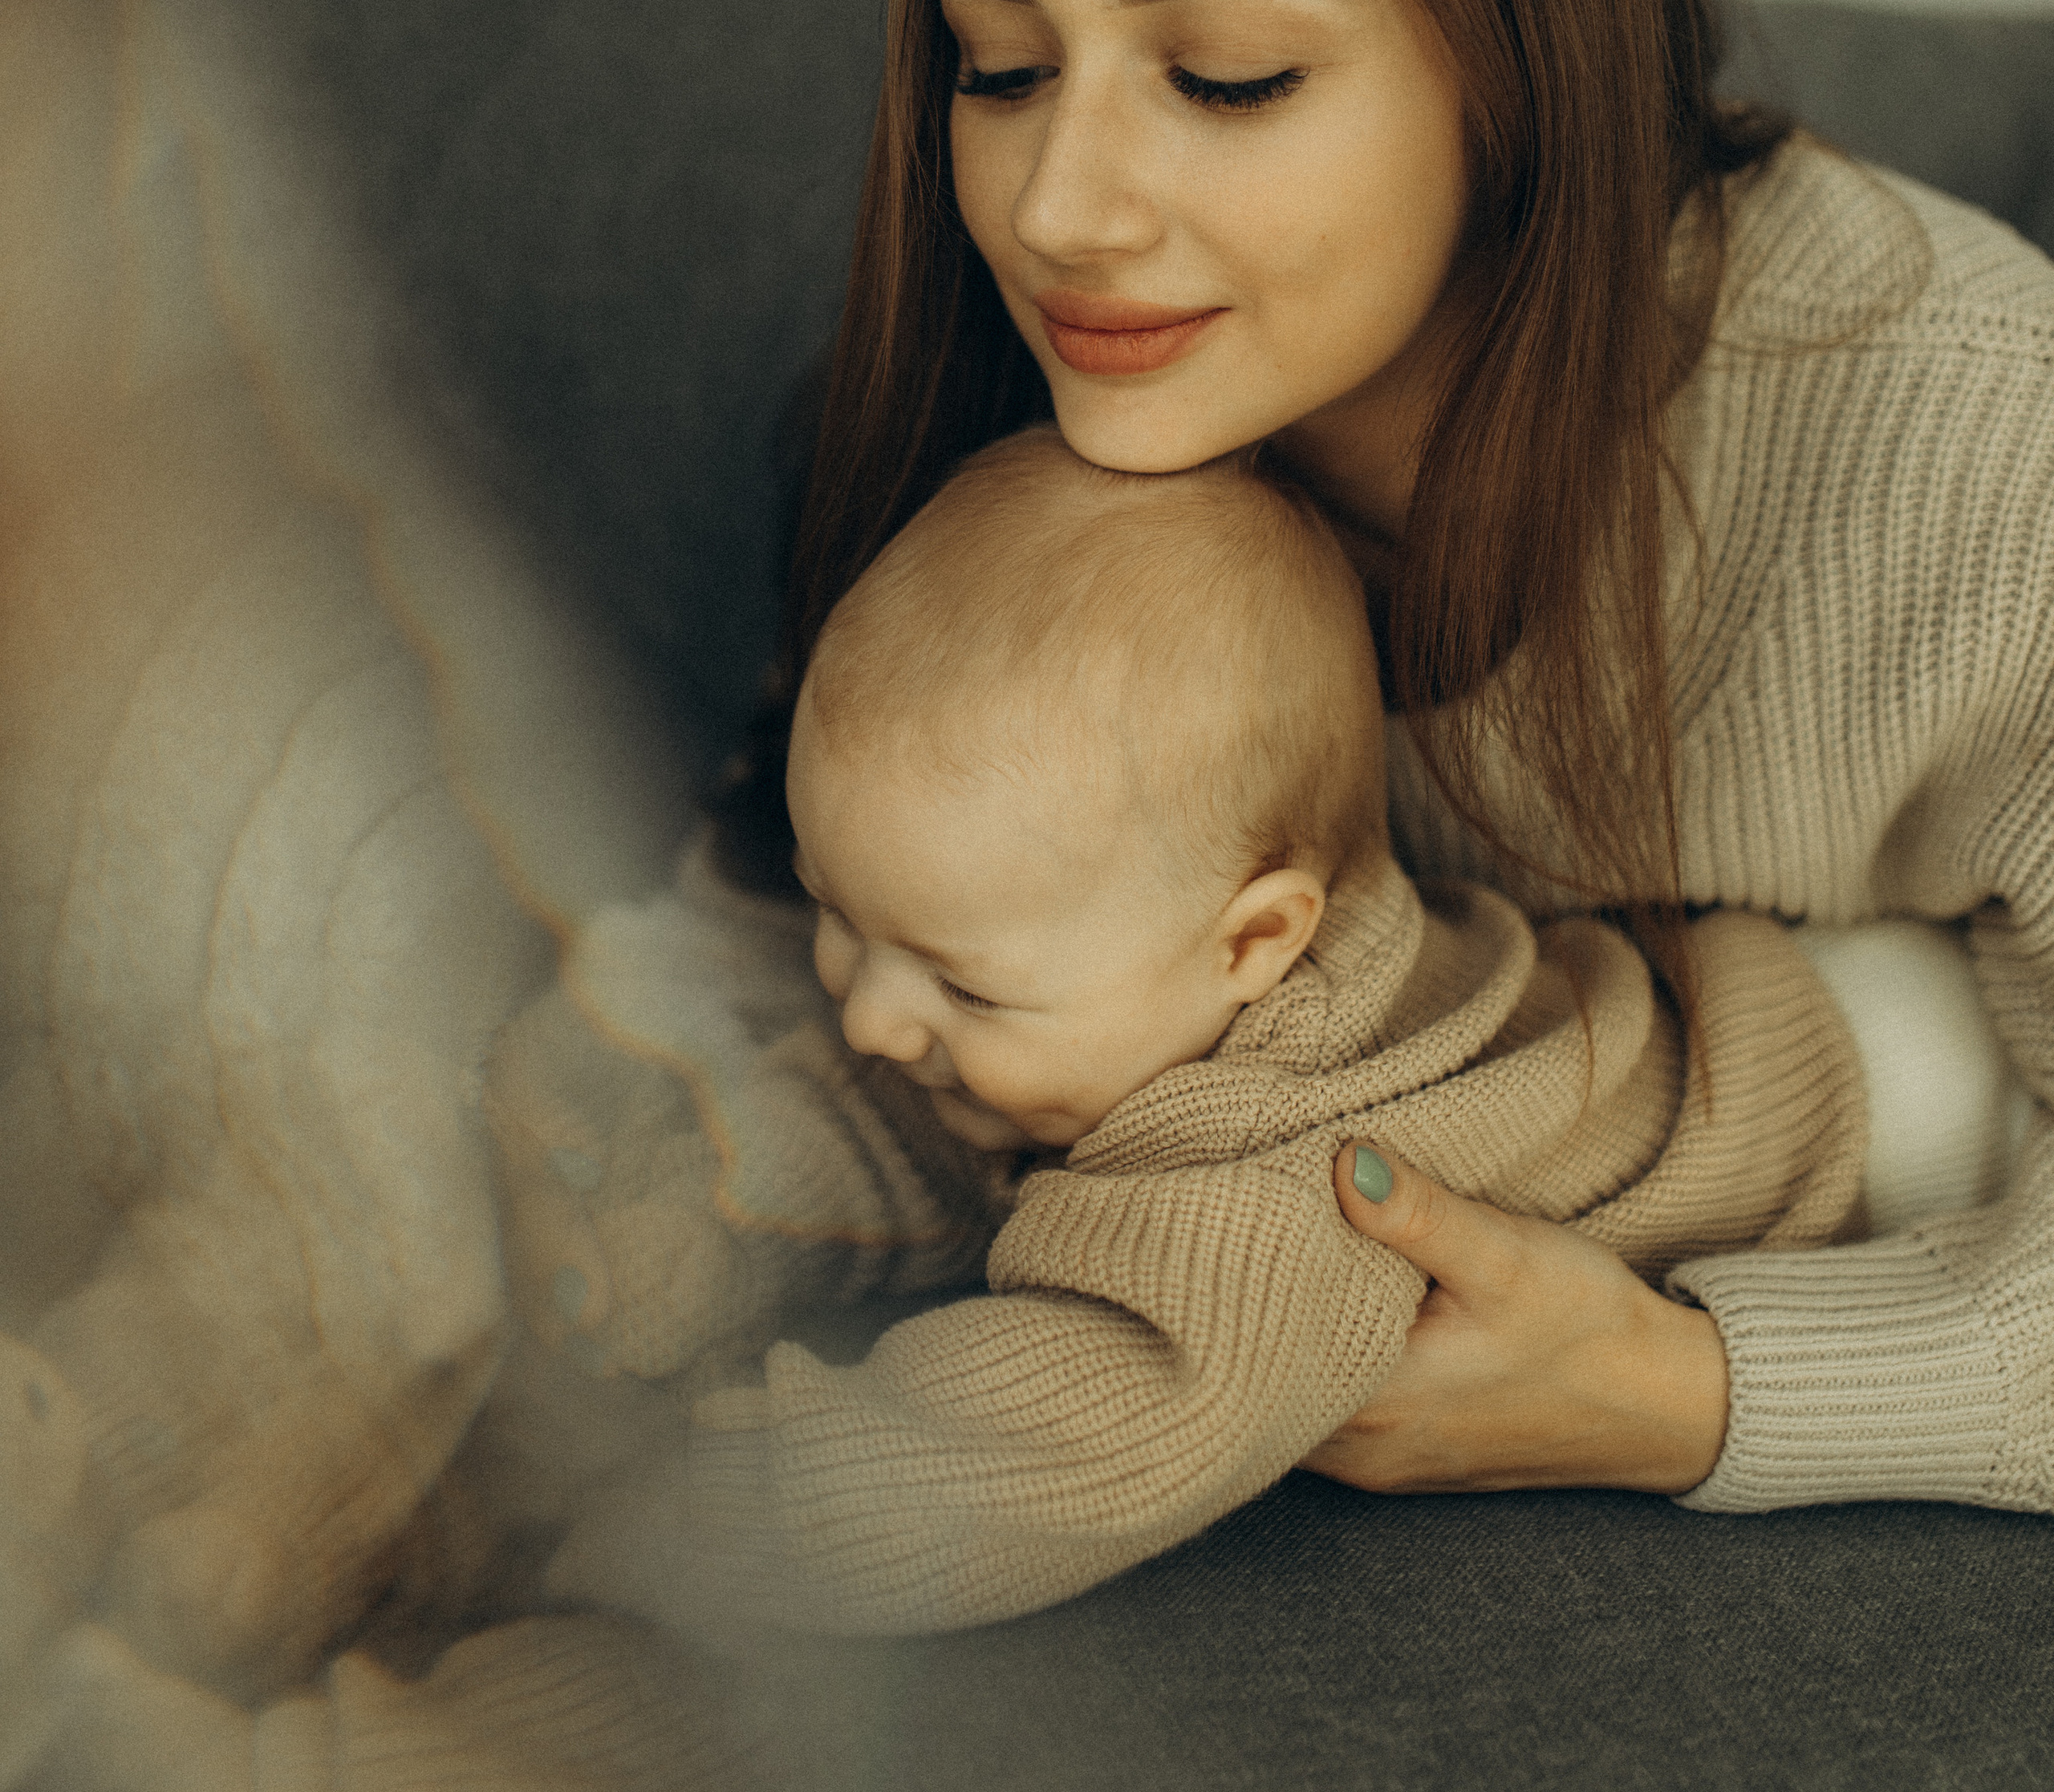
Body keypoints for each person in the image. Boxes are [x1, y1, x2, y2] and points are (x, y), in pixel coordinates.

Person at [722, 0, 2054, 1518]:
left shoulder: (1980, 451)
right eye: (999, 66)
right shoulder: (1016, 415)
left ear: (1515, 73)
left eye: (1227, 75)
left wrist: (1679, 1394)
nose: (1058, 207)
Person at [551, 420, 1865, 1638]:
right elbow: (900, 1129)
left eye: (966, 989)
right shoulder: (1114, 985)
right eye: (840, 913)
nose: (875, 1014)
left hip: (1843, 1104)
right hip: (1669, 1001)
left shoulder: (1277, 1195)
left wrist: (684, 1502)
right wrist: (664, 1237)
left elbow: (1050, 1443)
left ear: (1254, 942)